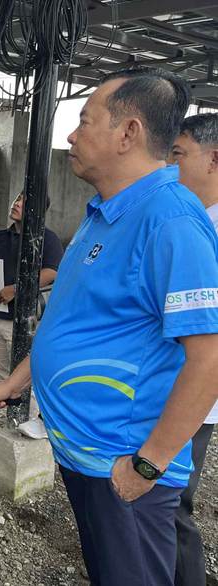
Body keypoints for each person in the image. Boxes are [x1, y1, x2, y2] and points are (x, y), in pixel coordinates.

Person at [0, 68, 218, 586]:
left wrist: (146, 467)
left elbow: (210, 359)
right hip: (86, 455)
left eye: (85, 121)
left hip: (121, 464)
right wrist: (14, 383)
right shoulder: (105, 212)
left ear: (128, 133)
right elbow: (71, 320)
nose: (71, 134)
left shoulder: (171, 222)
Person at [169, 113, 218, 586]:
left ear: (213, 159)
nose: (170, 165)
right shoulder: (184, 219)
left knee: (174, 500)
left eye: (179, 155)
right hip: (161, 383)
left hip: (196, 392)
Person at [0, 191, 63, 438]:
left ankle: (33, 420)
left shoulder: (47, 238)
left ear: (37, 209)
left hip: (24, 319)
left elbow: (51, 273)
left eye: (24, 201)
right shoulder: (0, 237)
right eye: (16, 199)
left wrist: (16, 289)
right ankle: (12, 401)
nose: (16, 203)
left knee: (28, 369)